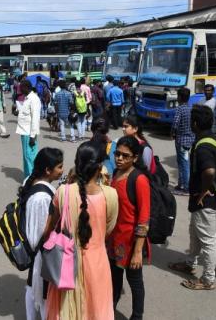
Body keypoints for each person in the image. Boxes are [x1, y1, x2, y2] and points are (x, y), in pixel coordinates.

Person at [44, 142, 119, 319]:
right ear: (100, 166)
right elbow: (108, 229)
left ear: (77, 163)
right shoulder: (111, 195)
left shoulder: (63, 192)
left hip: (67, 264)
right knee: (96, 311)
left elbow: (50, 228)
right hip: (98, 264)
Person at [169, 105, 216, 291]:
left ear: (194, 123)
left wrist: (203, 191)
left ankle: (208, 279)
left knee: (208, 240)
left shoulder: (203, 146)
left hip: (206, 201)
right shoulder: (213, 139)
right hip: (207, 199)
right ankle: (190, 263)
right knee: (195, 233)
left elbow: (210, 171)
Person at [108, 136, 151, 320]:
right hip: (114, 240)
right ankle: (109, 310)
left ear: (134, 158)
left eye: (125, 156)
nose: (119, 158)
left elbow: (144, 218)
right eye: (117, 154)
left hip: (131, 242)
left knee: (134, 282)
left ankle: (137, 316)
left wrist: (137, 252)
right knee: (114, 280)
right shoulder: (116, 174)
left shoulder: (139, 180)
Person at [23, 148, 64, 320]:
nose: (62, 170)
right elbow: (39, 233)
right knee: (43, 294)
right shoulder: (42, 198)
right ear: (48, 170)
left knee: (33, 287)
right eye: (59, 167)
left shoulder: (30, 181)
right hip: (42, 253)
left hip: (38, 252)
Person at [171, 87, 194, 195]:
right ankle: (181, 185)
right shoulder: (191, 108)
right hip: (191, 139)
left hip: (181, 140)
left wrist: (172, 133)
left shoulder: (180, 109)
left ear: (179, 97)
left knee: (184, 163)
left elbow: (175, 123)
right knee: (182, 162)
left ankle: (186, 188)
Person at [17, 79, 42, 178]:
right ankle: (28, 177)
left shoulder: (34, 99)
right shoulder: (27, 98)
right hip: (24, 131)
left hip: (29, 133)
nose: (20, 90)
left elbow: (35, 118)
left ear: (26, 87)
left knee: (30, 157)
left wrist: (32, 136)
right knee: (26, 157)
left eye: (21, 88)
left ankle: (33, 179)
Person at [90, 117, 117, 184]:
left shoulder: (87, 146)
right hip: (109, 184)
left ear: (92, 129)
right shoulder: (115, 146)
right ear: (107, 130)